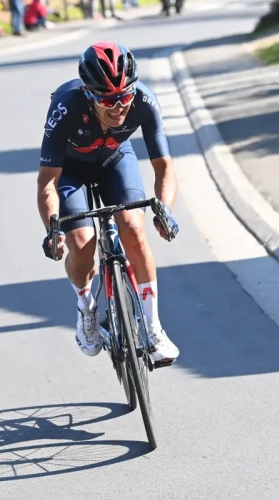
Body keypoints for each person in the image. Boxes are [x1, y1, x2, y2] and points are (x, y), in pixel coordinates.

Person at [37, 42, 181, 362]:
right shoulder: (65, 106)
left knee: (133, 229)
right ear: (89, 94)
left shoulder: (144, 99)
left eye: (124, 96)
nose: (118, 107)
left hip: (116, 160)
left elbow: (164, 167)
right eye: (107, 100)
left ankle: (154, 328)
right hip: (70, 171)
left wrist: (165, 209)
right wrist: (52, 228)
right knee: (82, 243)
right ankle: (86, 308)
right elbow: (47, 180)